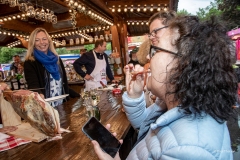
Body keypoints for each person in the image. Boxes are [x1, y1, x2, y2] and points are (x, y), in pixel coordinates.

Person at [92, 14, 237, 160]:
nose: (148, 58)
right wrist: (134, 95)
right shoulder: (177, 103)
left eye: (156, 50)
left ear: (182, 65)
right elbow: (146, 127)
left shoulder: (187, 150)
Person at [24, 28, 80, 107]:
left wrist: (79, 96)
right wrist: (39, 95)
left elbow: (63, 85)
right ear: (33, 43)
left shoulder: (57, 59)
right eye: (37, 40)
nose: (42, 42)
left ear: (49, 41)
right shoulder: (30, 62)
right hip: (45, 107)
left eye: (44, 39)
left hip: (62, 105)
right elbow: (33, 85)